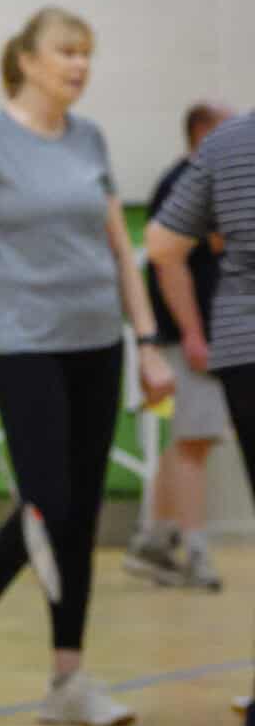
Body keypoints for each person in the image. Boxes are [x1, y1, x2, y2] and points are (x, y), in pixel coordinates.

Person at [0, 8, 173, 726]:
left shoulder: (90, 139)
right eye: (67, 52)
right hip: (21, 342)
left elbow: (120, 246)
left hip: (97, 341)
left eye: (87, 54)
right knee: (45, 502)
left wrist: (147, 338)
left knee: (82, 511)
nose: (80, 66)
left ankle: (67, 677)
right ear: (27, 60)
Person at [144, 108, 255, 726]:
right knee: (188, 444)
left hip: (240, 346)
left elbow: (161, 245)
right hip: (205, 346)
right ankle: (182, 543)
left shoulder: (229, 146)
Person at [128, 101, 235, 590]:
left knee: (187, 439)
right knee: (194, 440)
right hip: (191, 338)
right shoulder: (187, 184)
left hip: (200, 335)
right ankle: (193, 552)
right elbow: (170, 266)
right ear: (201, 134)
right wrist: (193, 334)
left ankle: (155, 539)